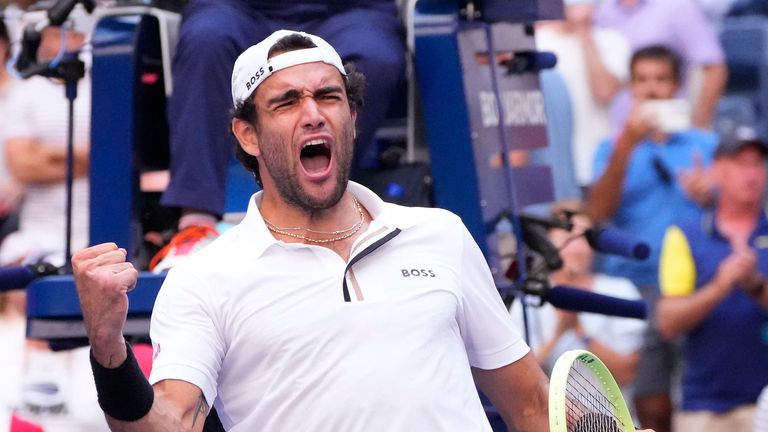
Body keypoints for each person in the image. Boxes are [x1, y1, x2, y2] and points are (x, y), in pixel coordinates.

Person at [72, 29, 554, 432]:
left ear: (351, 116)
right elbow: (170, 424)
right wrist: (109, 348)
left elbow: (531, 404)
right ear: (248, 134)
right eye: (286, 102)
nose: (313, 112)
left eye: (329, 96)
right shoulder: (204, 279)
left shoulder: (441, 235)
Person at [150, 0, 407, 272]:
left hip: (349, 11)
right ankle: (195, 225)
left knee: (376, 59)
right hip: (238, 8)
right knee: (206, 39)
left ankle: (330, 216)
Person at [587, 44, 718, 432]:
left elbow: (737, 212)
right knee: (651, 401)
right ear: (631, 88)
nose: (651, 89)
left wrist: (712, 194)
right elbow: (597, 212)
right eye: (642, 80)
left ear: (677, 86)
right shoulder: (611, 147)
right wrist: (627, 145)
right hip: (636, 285)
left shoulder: (705, 145)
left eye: (661, 80)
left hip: (697, 285)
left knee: (701, 397)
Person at [656, 126, 768, 432]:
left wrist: (756, 285)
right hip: (703, 405)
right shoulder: (685, 234)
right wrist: (719, 288)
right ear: (716, 170)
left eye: (757, 163)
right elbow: (667, 320)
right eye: (740, 163)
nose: (751, 174)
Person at [510, 200, 646, 410]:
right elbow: (519, 384)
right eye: (568, 237)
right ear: (547, 242)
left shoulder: (620, 290)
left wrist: (580, 330)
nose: (577, 248)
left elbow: (627, 372)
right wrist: (558, 333)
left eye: (585, 238)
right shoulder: (527, 300)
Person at [535, 0, 631, 189]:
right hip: (553, 169)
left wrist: (584, 33)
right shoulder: (537, 41)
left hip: (597, 166)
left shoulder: (614, 41)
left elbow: (604, 91)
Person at [594, 0, 727, 130]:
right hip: (620, 136)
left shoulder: (677, 6)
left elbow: (714, 68)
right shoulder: (601, 12)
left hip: (671, 134)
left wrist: (697, 128)